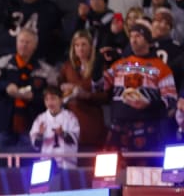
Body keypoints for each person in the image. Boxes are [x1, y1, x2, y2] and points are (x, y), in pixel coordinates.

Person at [96, 21, 178, 154]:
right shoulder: (119, 65)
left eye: (138, 36)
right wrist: (99, 61)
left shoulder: (161, 67)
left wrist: (149, 104)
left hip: (148, 129)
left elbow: (171, 101)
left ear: (148, 40)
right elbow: (98, 86)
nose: (133, 40)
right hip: (118, 127)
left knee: (145, 172)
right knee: (111, 173)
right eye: (131, 36)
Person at [29, 86, 81, 169]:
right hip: (46, 164)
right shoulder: (40, 119)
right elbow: (36, 145)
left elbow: (74, 140)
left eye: (53, 99)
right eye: (47, 99)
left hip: (67, 163)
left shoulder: (70, 117)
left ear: (60, 100)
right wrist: (40, 135)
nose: (50, 103)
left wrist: (62, 133)